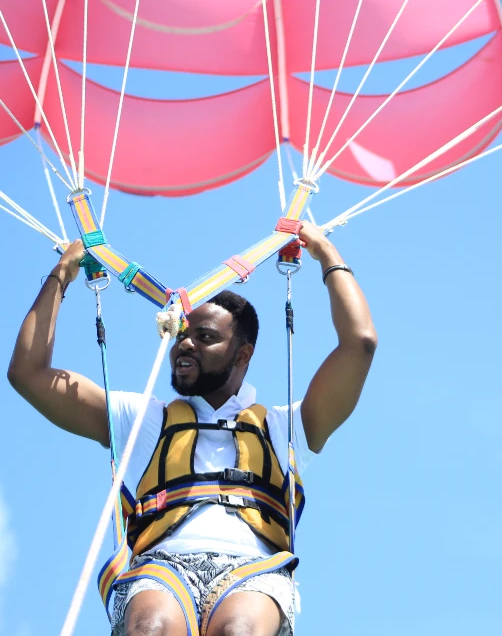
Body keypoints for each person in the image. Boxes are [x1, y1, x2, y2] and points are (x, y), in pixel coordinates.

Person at [7, 222, 377, 636]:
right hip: (161, 570)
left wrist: (327, 254)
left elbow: (359, 344)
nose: (185, 344)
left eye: (204, 337)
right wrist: (61, 275)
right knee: (151, 628)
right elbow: (29, 375)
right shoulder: (143, 419)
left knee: (238, 631)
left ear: (243, 354)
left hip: (254, 571)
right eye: (181, 333)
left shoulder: (284, 426)